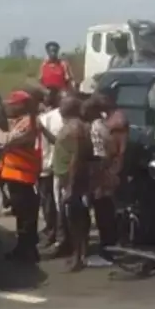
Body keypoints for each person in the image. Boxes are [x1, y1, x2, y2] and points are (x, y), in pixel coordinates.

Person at [0, 90, 40, 262]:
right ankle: (23, 248)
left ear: (23, 105)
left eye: (13, 104)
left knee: (26, 216)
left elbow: (5, 139)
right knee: (21, 214)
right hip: (16, 175)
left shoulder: (29, 123)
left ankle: (28, 251)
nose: (9, 107)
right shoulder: (21, 121)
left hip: (23, 176)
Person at [52, 95, 91, 271]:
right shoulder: (71, 125)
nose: (59, 107)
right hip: (67, 177)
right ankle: (79, 253)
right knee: (74, 217)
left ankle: (78, 256)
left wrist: (70, 185)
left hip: (72, 178)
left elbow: (76, 157)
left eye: (63, 104)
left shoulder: (75, 127)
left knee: (75, 219)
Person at [85, 95, 124, 261]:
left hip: (101, 173)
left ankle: (108, 251)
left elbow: (104, 152)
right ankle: (109, 246)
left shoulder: (96, 127)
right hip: (106, 172)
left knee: (103, 212)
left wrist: (100, 173)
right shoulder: (102, 124)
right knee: (106, 210)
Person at [37, 89, 65, 249]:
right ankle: (55, 232)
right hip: (58, 165)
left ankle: (53, 232)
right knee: (58, 202)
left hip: (48, 165)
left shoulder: (44, 119)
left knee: (49, 202)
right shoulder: (66, 117)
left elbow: (42, 145)